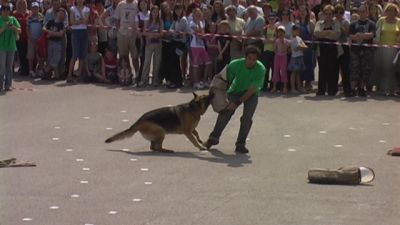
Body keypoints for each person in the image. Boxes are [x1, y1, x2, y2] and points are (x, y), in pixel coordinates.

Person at [205, 45, 265, 154]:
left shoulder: (261, 69)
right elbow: (225, 81)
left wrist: (236, 103)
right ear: (245, 57)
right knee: (225, 112)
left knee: (247, 118)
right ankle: (213, 138)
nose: (251, 62)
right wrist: (223, 97)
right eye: (249, 58)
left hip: (251, 94)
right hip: (235, 91)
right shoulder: (234, 64)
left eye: (254, 59)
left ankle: (240, 144)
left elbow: (251, 91)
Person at [371, 3, 400, 96]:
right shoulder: (381, 20)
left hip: (393, 50)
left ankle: (391, 89)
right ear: (385, 11)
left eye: (393, 10)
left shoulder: (399, 21)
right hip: (381, 48)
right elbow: (376, 33)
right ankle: (381, 88)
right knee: (381, 68)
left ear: (396, 12)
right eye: (389, 10)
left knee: (391, 69)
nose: (391, 12)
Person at [349, 3, 375, 97]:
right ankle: (352, 89)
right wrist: (359, 36)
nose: (362, 13)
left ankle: (361, 89)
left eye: (364, 11)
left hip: (367, 51)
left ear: (367, 12)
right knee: (354, 70)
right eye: (361, 11)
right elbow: (351, 36)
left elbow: (371, 35)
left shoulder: (371, 23)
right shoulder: (353, 24)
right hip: (355, 51)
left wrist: (360, 35)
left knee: (365, 70)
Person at [313, 4, 340, 96]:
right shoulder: (319, 23)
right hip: (321, 50)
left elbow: (337, 35)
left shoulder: (336, 23)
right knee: (322, 69)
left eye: (330, 14)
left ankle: (332, 90)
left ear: (333, 15)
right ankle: (321, 90)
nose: (328, 15)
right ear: (323, 14)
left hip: (333, 50)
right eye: (326, 13)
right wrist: (329, 32)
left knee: (332, 69)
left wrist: (323, 33)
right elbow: (316, 33)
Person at [67, 0, 90, 82]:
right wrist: (80, 21)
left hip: (84, 32)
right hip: (76, 32)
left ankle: (79, 74)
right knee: (75, 54)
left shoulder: (87, 9)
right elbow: (72, 22)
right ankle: (69, 75)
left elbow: (86, 21)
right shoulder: (72, 9)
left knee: (82, 55)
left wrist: (80, 12)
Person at [139, 5, 162, 87]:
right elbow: (144, 33)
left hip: (158, 44)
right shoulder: (147, 21)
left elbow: (161, 34)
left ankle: (155, 80)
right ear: (151, 12)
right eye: (153, 12)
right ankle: (143, 80)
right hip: (149, 44)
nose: (155, 14)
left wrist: (151, 35)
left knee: (156, 63)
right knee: (147, 62)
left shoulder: (160, 21)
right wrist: (154, 34)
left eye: (156, 12)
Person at [0, 5, 21, 92]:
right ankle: (1, 85)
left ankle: (8, 85)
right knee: (2, 66)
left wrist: (13, 27)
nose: (5, 12)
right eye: (4, 10)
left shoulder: (13, 19)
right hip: (1, 47)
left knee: (9, 67)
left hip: (11, 46)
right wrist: (4, 27)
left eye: (7, 10)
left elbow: (20, 30)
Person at [115, 0, 139, 77]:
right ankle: (126, 75)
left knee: (135, 57)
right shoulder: (121, 4)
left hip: (133, 35)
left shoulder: (136, 3)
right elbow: (117, 18)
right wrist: (119, 30)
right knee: (123, 57)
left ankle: (137, 75)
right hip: (122, 34)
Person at [43, 7, 65, 79]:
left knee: (56, 59)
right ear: (57, 13)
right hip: (50, 42)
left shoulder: (61, 24)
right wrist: (49, 32)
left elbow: (60, 34)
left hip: (57, 43)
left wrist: (51, 33)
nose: (61, 15)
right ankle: (56, 75)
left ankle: (46, 69)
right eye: (60, 13)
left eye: (63, 14)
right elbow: (44, 28)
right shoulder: (51, 22)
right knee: (50, 58)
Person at [288, 24, 307, 93]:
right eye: (295, 31)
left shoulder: (299, 38)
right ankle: (293, 88)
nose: (297, 32)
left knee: (298, 73)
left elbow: (304, 46)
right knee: (293, 73)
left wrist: (301, 47)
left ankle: (299, 87)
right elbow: (295, 48)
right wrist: (301, 47)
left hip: (300, 56)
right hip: (294, 57)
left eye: (298, 31)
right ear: (292, 31)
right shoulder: (291, 39)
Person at [27, 1, 44, 78]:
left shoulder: (41, 17)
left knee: (40, 56)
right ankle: (31, 70)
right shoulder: (29, 18)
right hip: (31, 40)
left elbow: (43, 28)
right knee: (31, 56)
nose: (35, 10)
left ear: (38, 8)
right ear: (31, 9)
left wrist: (40, 38)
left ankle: (40, 70)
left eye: (36, 8)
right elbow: (27, 29)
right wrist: (31, 38)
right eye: (33, 8)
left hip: (39, 40)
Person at [13, 0, 30, 76]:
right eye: (20, 3)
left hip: (29, 37)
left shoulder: (29, 13)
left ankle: (28, 69)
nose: (22, 5)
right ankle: (24, 70)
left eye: (24, 3)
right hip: (19, 38)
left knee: (28, 54)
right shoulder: (15, 14)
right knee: (22, 54)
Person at [271, 25, 289, 94]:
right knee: (276, 71)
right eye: (279, 32)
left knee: (284, 71)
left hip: (283, 57)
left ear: (284, 33)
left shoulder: (286, 41)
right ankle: (274, 87)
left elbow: (285, 50)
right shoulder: (276, 41)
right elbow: (274, 49)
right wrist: (276, 51)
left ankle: (284, 87)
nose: (280, 34)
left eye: (282, 32)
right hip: (277, 57)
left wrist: (283, 43)